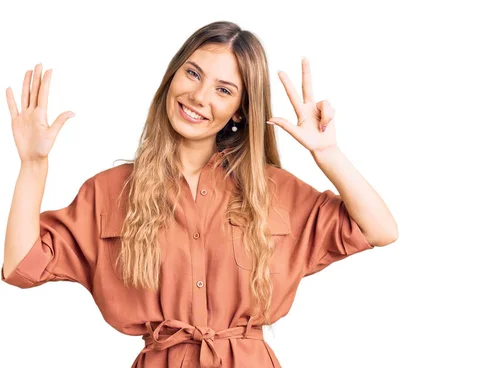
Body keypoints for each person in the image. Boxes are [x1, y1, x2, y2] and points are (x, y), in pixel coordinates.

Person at [2, 21, 398, 368]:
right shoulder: (108, 192)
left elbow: (380, 230)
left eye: (223, 90)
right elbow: (20, 267)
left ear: (240, 110)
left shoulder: (273, 190)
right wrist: (33, 165)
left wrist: (327, 153)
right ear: (173, 76)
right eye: (193, 74)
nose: (199, 96)